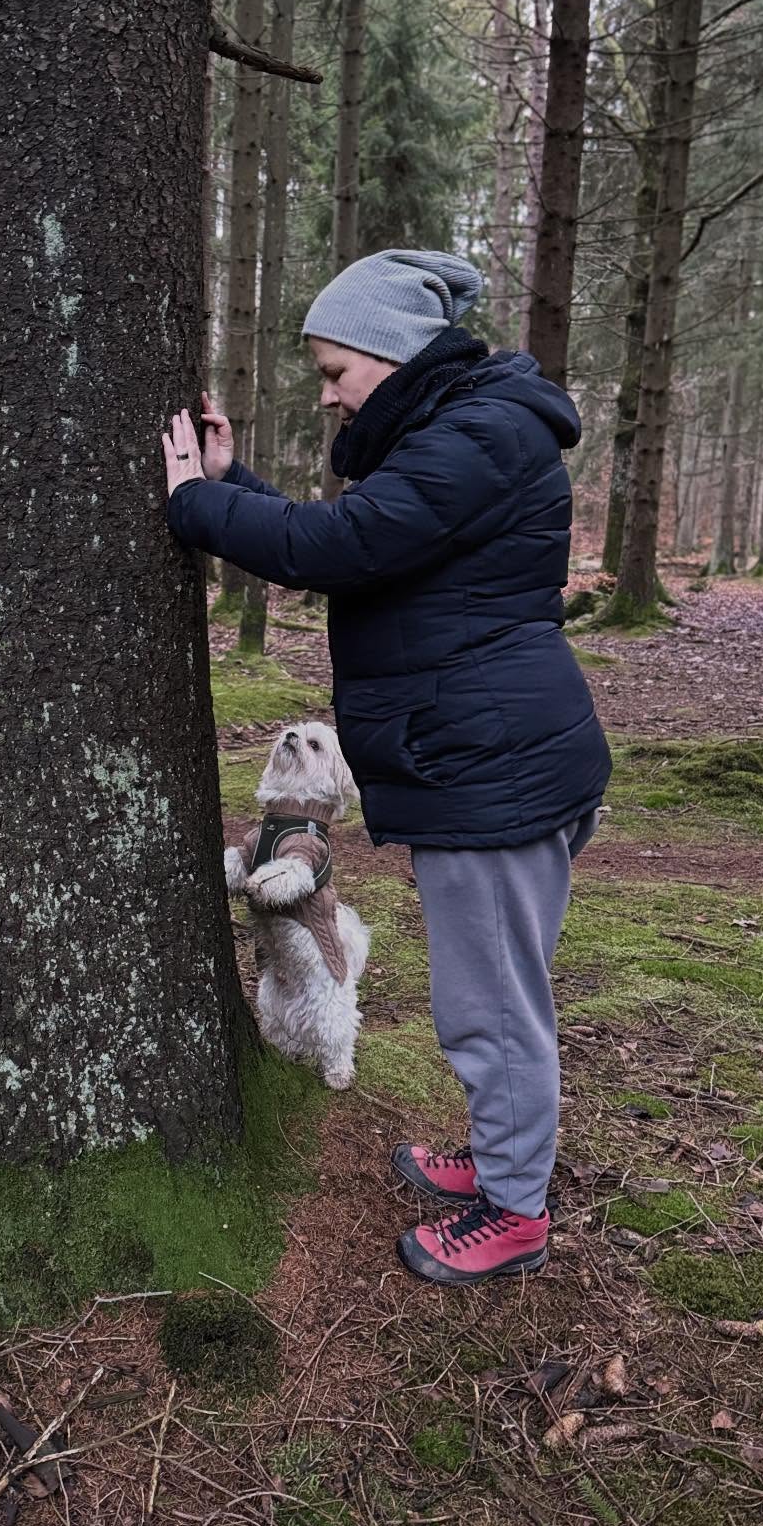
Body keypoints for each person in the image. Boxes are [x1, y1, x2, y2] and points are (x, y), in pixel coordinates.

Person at [162, 248, 611, 1287]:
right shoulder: (470, 431)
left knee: (493, 1008)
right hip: (487, 754)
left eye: (335, 370)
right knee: (492, 995)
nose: (327, 395)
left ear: (394, 355)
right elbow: (375, 544)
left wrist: (195, 505)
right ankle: (500, 1163)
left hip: (491, 771)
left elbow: (346, 545)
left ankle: (514, 1214)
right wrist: (239, 487)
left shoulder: (481, 433)